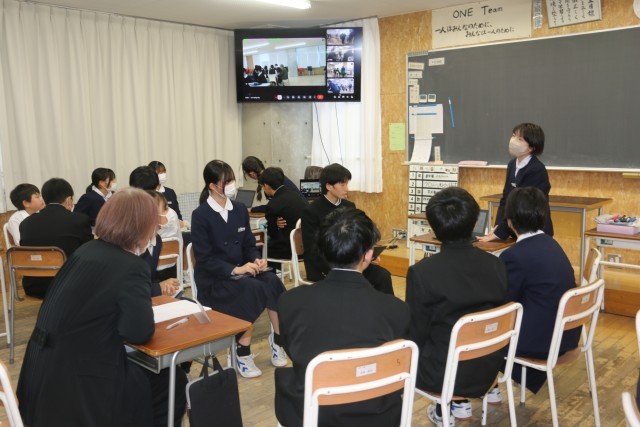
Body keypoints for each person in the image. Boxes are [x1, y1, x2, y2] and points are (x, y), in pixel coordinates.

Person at [17, 188, 188, 426]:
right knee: (170, 379)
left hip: (39, 376)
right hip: (81, 386)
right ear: (141, 226)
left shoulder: (85, 251)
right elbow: (138, 332)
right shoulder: (131, 265)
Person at [276, 207, 410, 427]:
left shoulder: (290, 301)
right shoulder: (397, 309)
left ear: (323, 250)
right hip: (379, 414)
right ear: (369, 255)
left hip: (315, 413)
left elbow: (295, 352)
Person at [406, 187, 508, 426]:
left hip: (443, 374)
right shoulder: (495, 265)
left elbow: (416, 334)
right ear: (474, 222)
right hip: (489, 367)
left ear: (433, 227)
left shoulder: (422, 273)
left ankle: (445, 408)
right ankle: (455, 405)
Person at [191, 160, 287, 378]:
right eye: (227, 182)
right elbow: (205, 259)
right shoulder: (201, 215)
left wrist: (257, 260)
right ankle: (242, 352)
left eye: (232, 180)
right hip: (215, 279)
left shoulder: (239, 209)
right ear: (212, 186)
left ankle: (278, 341)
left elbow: (249, 246)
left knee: (272, 281)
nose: (232, 185)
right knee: (251, 288)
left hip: (243, 271)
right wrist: (237, 270)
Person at [494, 187, 580, 397]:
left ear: (509, 221)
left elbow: (503, 303)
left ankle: (484, 388)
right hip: (564, 336)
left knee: (475, 336)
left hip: (541, 342)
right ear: (543, 216)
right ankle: (491, 387)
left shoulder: (514, 256)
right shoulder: (552, 244)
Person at [301, 163, 394, 295]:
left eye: (347, 184)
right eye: (342, 184)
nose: (347, 188)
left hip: (351, 262)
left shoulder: (349, 206)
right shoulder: (311, 211)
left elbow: (359, 237)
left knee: (383, 276)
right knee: (352, 282)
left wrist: (368, 255)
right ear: (329, 186)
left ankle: (385, 308)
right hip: (324, 265)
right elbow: (312, 249)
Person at [19, 178, 93, 298]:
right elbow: (90, 252)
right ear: (68, 199)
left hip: (34, 286)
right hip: (69, 285)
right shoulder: (79, 219)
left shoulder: (26, 223)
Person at [479, 123, 553, 242]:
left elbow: (522, 205)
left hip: (533, 231)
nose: (513, 141)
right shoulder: (512, 164)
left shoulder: (536, 169)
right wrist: (497, 227)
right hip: (516, 230)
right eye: (514, 135)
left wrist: (500, 233)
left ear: (531, 147)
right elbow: (506, 199)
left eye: (520, 139)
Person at [257, 167, 307, 261]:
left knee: (256, 250)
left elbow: (272, 234)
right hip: (305, 245)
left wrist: (275, 225)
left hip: (287, 249)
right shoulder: (297, 196)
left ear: (266, 186)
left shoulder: (272, 205)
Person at [147, 190, 183, 284]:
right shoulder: (172, 214)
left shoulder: (149, 221)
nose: (168, 211)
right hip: (171, 265)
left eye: (166, 207)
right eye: (166, 208)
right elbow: (180, 239)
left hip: (153, 271)